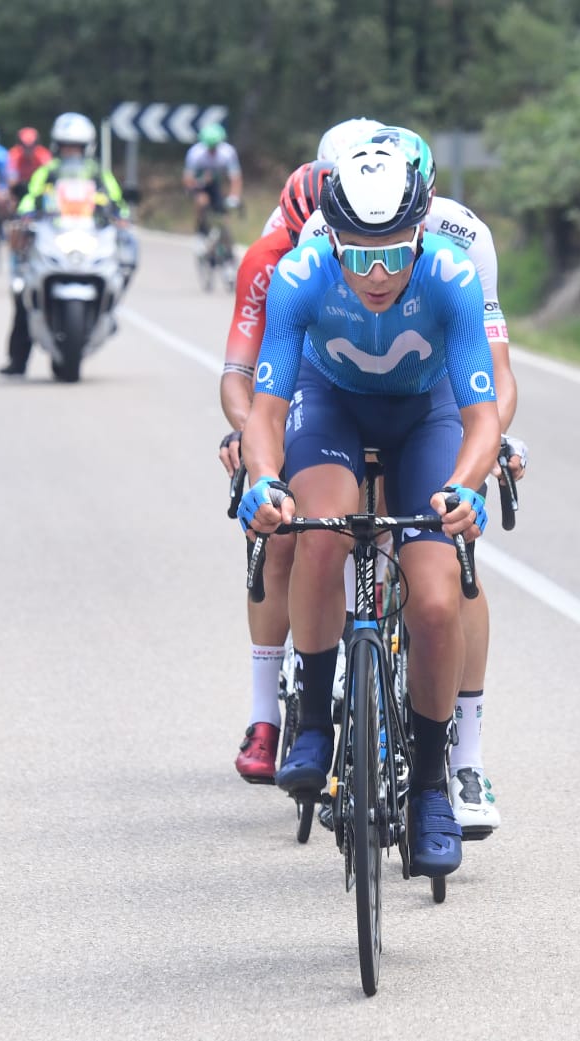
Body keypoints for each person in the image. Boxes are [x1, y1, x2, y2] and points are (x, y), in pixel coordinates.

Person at [236, 140, 501, 877]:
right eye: (358, 256)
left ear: (421, 235)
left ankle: (428, 790)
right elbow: (267, 408)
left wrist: (469, 485)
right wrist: (264, 477)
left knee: (439, 600)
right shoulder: (300, 275)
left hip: (427, 418)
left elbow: (481, 418)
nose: (377, 274)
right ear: (332, 242)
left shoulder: (449, 277)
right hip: (332, 409)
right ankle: (314, 723)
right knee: (318, 533)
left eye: (393, 255)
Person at [221, 159, 335, 783]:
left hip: (359, 392)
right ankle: (265, 718)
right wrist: (247, 433)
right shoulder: (266, 259)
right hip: (282, 388)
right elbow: (238, 372)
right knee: (277, 536)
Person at [0, 112, 129, 378]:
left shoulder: (98, 174)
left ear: (86, 148)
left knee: (127, 256)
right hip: (55, 233)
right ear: (58, 146)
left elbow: (117, 200)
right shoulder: (47, 172)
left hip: (88, 233)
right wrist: (25, 211)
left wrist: (121, 214)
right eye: (67, 146)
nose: (72, 152)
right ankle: (18, 359)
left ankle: (110, 307)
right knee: (23, 292)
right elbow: (30, 197)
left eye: (77, 147)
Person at [183, 122, 243, 236]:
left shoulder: (228, 153)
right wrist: (200, 182)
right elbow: (187, 180)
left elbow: (235, 178)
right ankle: (201, 229)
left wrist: (234, 196)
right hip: (199, 184)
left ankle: (225, 237)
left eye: (215, 146)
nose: (212, 150)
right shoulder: (195, 153)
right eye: (209, 147)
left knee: (223, 212)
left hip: (216, 184)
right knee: (202, 201)